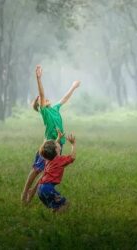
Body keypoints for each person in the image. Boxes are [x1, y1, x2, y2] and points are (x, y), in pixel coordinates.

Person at [21, 65, 80, 204]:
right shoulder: (45, 112)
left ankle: (33, 191)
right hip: (49, 146)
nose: (46, 99)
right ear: (40, 105)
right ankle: (25, 192)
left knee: (48, 170)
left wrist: (73, 87)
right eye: (43, 100)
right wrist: (38, 78)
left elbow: (64, 98)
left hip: (59, 144)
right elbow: (41, 94)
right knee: (37, 169)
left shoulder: (54, 108)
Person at [32, 133, 76, 213]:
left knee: (55, 207)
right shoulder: (60, 160)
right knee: (65, 204)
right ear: (56, 149)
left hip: (40, 188)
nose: (58, 144)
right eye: (57, 144)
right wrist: (73, 144)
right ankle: (58, 220)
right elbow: (72, 157)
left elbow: (51, 148)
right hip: (47, 188)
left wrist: (58, 138)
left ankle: (53, 219)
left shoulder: (48, 158)